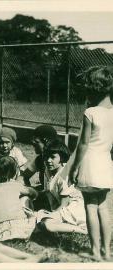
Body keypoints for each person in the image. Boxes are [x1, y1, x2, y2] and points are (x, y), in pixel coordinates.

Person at [69, 66, 113, 261]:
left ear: (93, 90)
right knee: (104, 207)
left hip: (89, 163)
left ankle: (95, 251)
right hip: (105, 162)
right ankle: (106, 250)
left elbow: (83, 144)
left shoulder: (90, 112)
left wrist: (74, 167)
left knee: (90, 206)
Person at [37, 140, 87, 234]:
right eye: (46, 157)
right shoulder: (47, 171)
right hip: (62, 208)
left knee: (46, 224)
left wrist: (54, 214)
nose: (48, 160)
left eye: (52, 157)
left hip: (74, 209)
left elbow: (65, 202)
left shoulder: (64, 174)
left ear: (62, 158)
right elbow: (49, 194)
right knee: (39, 217)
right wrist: (53, 212)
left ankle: (82, 230)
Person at [0, 156, 37, 242]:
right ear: (14, 172)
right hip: (22, 229)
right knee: (25, 198)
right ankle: (29, 221)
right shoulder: (15, 185)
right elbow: (33, 193)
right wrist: (33, 194)